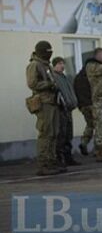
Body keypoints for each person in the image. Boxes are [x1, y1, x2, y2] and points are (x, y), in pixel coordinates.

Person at [26, 41, 64, 176]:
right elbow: (32, 83)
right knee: (46, 133)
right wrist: (49, 84)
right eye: (47, 51)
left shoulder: (46, 65)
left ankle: (52, 161)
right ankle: (44, 163)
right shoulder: (34, 65)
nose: (50, 54)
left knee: (54, 133)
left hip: (52, 102)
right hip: (43, 102)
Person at [50, 57, 80, 167]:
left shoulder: (65, 77)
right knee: (61, 135)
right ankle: (59, 158)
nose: (62, 66)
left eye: (63, 63)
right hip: (60, 110)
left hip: (68, 110)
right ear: (54, 65)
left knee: (68, 135)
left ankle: (68, 157)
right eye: (59, 63)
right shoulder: (53, 77)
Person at [74, 60, 95, 156]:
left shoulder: (77, 78)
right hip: (92, 104)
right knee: (99, 125)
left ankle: (84, 142)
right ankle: (99, 148)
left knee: (90, 124)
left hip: (83, 106)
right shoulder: (91, 77)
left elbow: (75, 92)